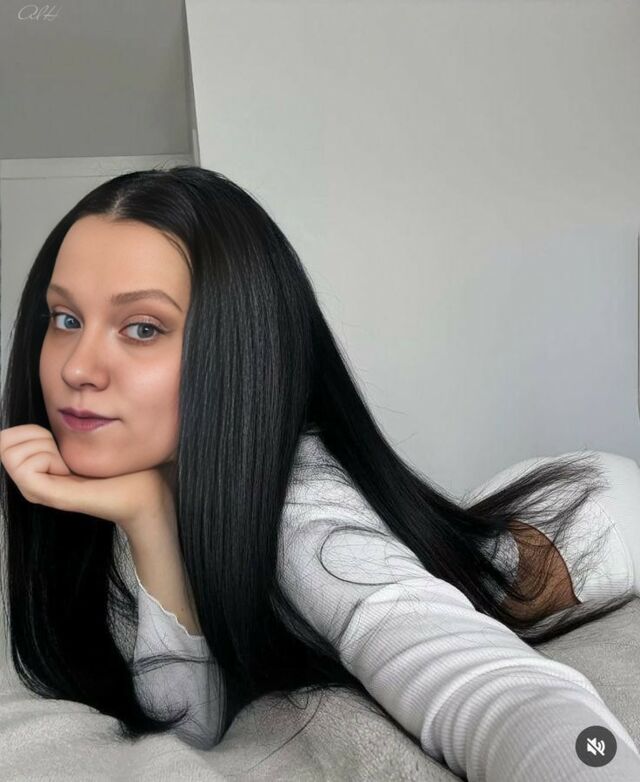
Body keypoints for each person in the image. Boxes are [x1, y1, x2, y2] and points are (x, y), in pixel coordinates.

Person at [0, 166, 638, 780]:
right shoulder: (145, 476)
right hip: (496, 518)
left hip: (600, 520)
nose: (77, 368)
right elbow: (193, 730)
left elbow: (498, 693)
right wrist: (149, 518)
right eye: (66, 319)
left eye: (142, 328)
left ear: (238, 347)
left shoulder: (302, 517)